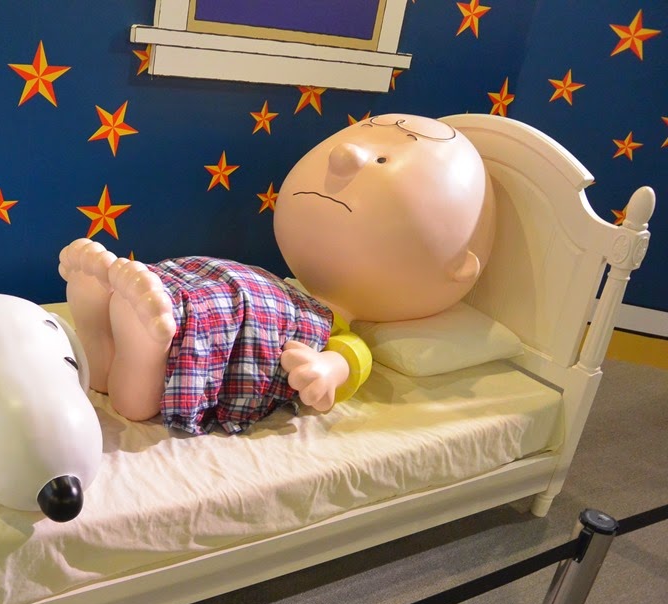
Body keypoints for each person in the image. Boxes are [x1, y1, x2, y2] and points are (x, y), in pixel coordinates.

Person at [59, 114, 496, 434]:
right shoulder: (289, 283)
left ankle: (144, 355)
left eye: (383, 158)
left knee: (217, 312)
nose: (345, 154)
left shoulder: (339, 329)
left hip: (274, 322)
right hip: (267, 286)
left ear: (458, 268)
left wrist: (325, 369)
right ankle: (117, 333)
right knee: (217, 287)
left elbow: (351, 359)